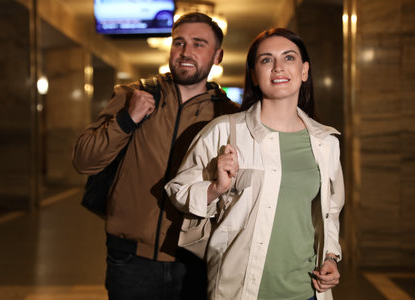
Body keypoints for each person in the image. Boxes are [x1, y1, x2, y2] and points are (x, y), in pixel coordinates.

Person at [165, 28, 344, 300]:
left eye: (289, 58)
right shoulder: (224, 132)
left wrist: (331, 257)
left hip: (307, 291)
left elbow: (330, 210)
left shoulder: (326, 142)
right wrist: (215, 188)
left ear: (304, 71)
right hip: (240, 289)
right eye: (266, 60)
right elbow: (178, 189)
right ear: (254, 75)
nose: (278, 67)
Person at [72, 12, 239, 300]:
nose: (186, 52)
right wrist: (127, 120)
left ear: (218, 56)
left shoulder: (229, 116)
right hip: (131, 259)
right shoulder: (133, 96)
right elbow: (84, 160)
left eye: (199, 44)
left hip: (195, 258)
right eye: (179, 42)